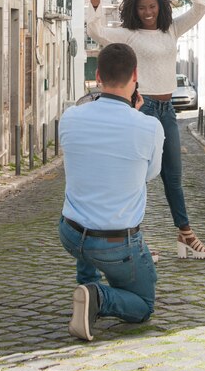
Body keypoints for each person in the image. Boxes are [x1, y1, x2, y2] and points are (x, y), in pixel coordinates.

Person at [86, 0, 205, 260]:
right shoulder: (127, 35)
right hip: (140, 109)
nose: (147, 12)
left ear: (160, 7)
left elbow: (198, 9)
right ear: (134, 9)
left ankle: (185, 234)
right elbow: (96, 31)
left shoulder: (171, 30)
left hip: (167, 111)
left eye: (152, 6)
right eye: (142, 7)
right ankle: (135, 238)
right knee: (136, 178)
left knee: (173, 175)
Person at [59, 43, 165, 341]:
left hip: (70, 233)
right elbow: (150, 174)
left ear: (97, 76)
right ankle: (97, 297)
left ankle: (86, 283)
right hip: (116, 245)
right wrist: (136, 115)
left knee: (90, 196)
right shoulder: (149, 126)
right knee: (143, 304)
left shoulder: (70, 117)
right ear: (135, 75)